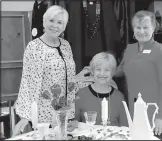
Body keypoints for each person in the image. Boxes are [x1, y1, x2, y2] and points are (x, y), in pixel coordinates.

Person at [12, 5, 84, 136]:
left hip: (63, 111)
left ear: (65, 26)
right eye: (51, 20)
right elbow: (28, 82)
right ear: (44, 21)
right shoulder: (34, 47)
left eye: (60, 22)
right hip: (43, 114)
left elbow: (67, 78)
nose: (55, 26)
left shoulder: (66, 45)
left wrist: (82, 79)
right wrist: (25, 116)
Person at [115, 10, 162, 138]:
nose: (141, 31)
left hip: (153, 110)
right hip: (133, 107)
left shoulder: (159, 49)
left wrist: (161, 116)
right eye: (138, 27)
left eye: (145, 27)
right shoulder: (130, 49)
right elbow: (120, 71)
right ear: (133, 29)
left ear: (153, 28)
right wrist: (98, 69)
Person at [75, 52, 128, 127]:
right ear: (92, 71)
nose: (102, 74)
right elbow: (74, 125)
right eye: (98, 69)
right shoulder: (81, 94)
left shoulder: (119, 97)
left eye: (107, 70)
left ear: (113, 72)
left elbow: (125, 127)